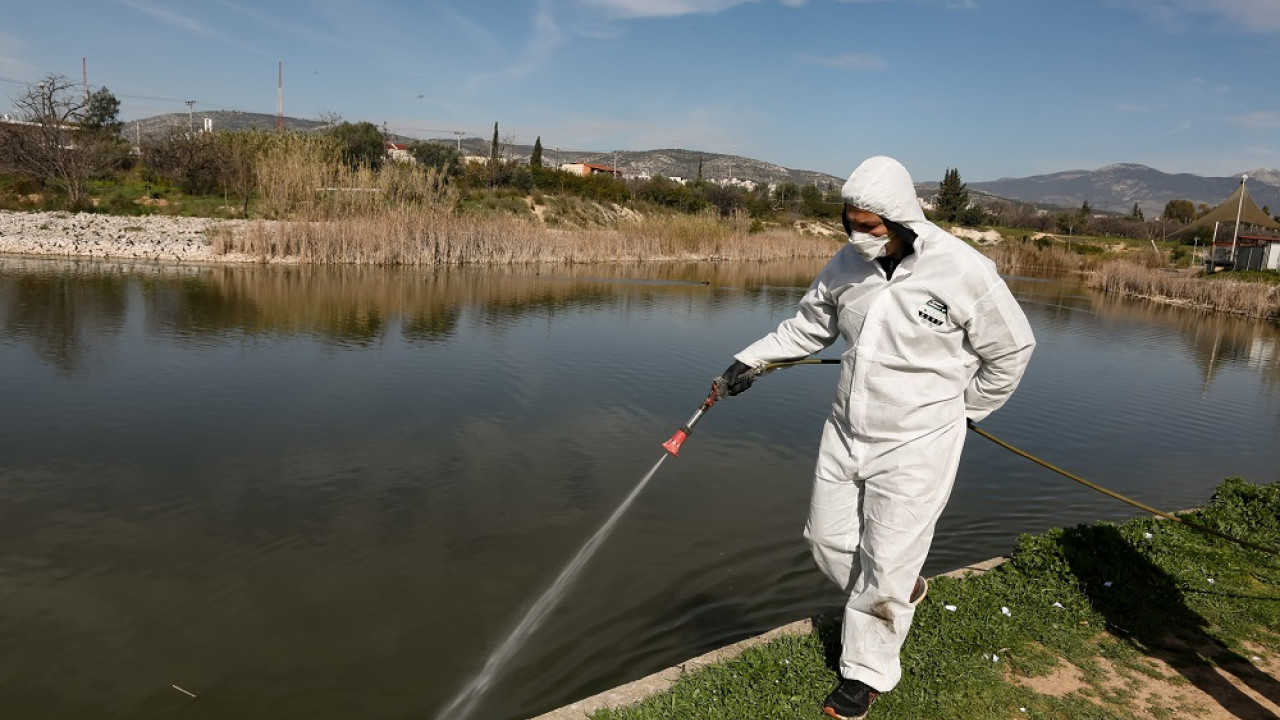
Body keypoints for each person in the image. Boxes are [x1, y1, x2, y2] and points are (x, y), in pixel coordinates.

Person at [718, 155, 1036, 719]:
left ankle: (864, 675)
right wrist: (750, 360)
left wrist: (968, 413)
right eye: (851, 224)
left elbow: (1010, 351)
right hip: (846, 429)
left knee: (886, 562)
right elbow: (810, 325)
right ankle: (900, 590)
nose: (859, 236)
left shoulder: (964, 271)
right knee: (825, 540)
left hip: (921, 441)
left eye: (870, 227)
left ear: (902, 219)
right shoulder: (845, 266)